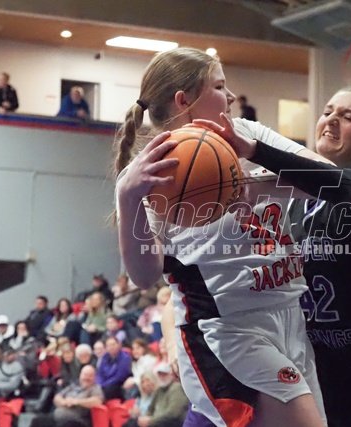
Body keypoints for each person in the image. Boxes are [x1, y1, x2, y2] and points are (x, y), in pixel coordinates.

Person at [114, 47, 326, 427]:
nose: (230, 96)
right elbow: (144, 276)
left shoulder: (247, 134)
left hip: (289, 313)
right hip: (227, 330)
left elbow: (329, 180)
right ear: (184, 100)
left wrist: (260, 182)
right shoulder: (150, 174)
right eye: (219, 86)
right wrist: (128, 198)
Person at [197, 87, 351, 426]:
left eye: (348, 117)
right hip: (318, 376)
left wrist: (255, 149)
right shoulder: (293, 205)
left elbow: (340, 186)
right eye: (327, 112)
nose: (332, 120)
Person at [31, 365, 104, 427]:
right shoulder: (73, 386)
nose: (87, 378)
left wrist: (76, 402)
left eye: (90, 376)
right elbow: (57, 397)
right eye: (85, 375)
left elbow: (97, 401)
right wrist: (64, 402)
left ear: (95, 377)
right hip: (58, 418)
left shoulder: (95, 388)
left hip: (78, 421)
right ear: (80, 375)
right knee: (37, 421)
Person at [123, 363, 189, 427]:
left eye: (165, 374)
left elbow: (173, 413)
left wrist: (151, 421)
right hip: (156, 423)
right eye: (160, 374)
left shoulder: (176, 388)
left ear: (171, 375)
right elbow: (150, 409)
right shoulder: (159, 390)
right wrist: (144, 419)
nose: (162, 376)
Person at [96, 336, 132, 400]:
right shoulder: (104, 357)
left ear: (119, 345)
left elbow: (119, 376)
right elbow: (100, 374)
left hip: (118, 384)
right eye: (109, 345)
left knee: (108, 389)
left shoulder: (125, 358)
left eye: (113, 344)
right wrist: (100, 384)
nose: (111, 347)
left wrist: (104, 385)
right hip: (105, 384)